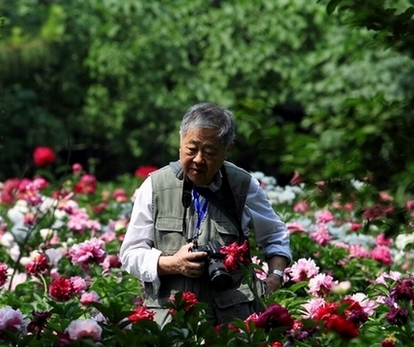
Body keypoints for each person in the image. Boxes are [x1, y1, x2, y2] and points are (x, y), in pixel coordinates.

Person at [120, 102, 291, 326]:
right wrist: (173, 263)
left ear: (228, 149)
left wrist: (275, 277)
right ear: (180, 142)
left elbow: (276, 236)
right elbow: (130, 254)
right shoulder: (154, 187)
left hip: (231, 325)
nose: (199, 159)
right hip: (169, 323)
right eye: (191, 149)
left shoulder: (243, 186)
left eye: (209, 152)